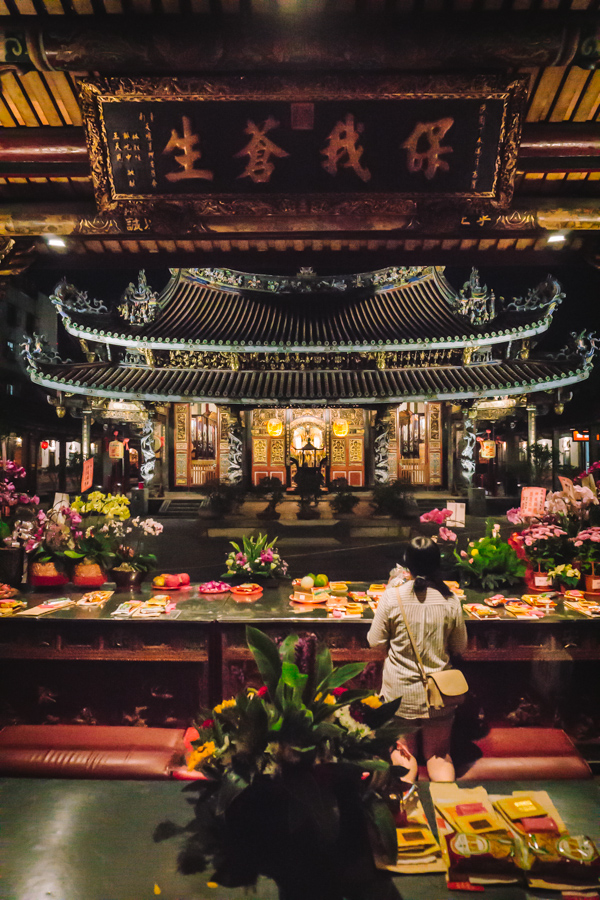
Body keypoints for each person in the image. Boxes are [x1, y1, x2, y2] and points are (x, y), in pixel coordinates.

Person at [367, 536, 467, 782]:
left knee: (405, 758)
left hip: (399, 695)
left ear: (406, 564)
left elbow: (374, 641)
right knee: (439, 757)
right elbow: (460, 646)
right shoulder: (450, 600)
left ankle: (405, 813)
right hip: (440, 694)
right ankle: (446, 811)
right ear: (437, 564)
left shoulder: (392, 598)